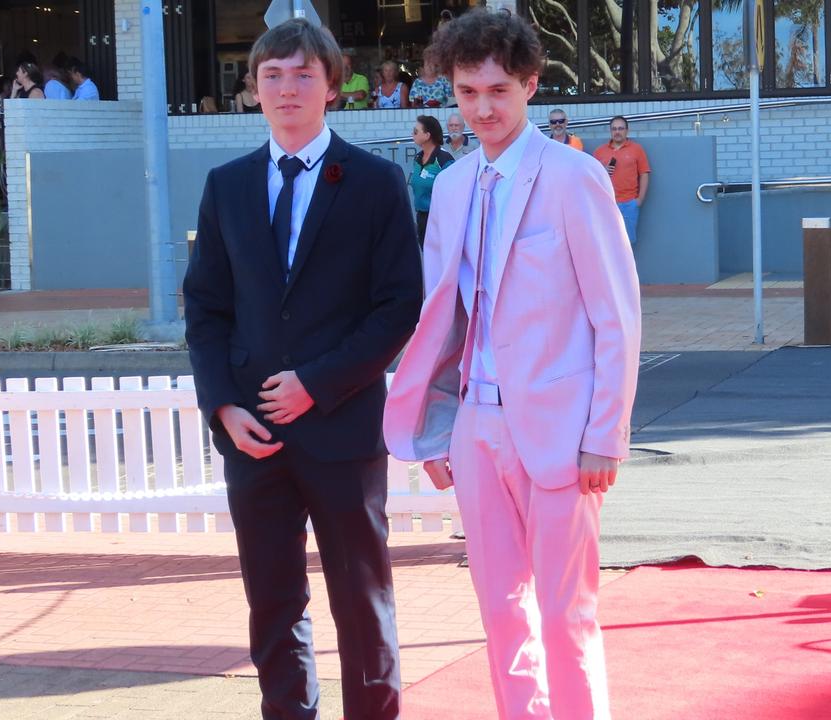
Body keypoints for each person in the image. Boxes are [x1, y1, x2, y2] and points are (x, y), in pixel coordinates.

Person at [383, 9, 640, 719]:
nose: (483, 108)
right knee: (500, 612)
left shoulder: (575, 178)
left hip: (561, 432)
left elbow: (615, 316)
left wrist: (604, 436)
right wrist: (437, 428)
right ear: (452, 93)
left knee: (566, 614)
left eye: (498, 90)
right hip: (475, 425)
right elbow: (442, 321)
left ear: (530, 84)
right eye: (468, 93)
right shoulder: (455, 186)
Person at [182, 18, 422, 720]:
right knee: (274, 603)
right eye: (272, 76)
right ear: (254, 89)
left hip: (342, 429)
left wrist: (315, 383)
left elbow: (397, 307)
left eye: (303, 74)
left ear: (333, 86)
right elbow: (205, 308)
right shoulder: (226, 186)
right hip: (253, 437)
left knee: (362, 602)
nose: (287, 88)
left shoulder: (378, 182)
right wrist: (224, 405)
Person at [592, 115, 650, 246]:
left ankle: (625, 268)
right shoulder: (599, 152)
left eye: (620, 129)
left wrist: (639, 200)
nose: (617, 132)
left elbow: (644, 174)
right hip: (605, 204)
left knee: (627, 244)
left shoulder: (637, 149)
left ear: (627, 131)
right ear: (610, 131)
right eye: (614, 129)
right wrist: (602, 171)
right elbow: (591, 178)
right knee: (606, 243)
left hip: (629, 204)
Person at [407, 114, 455, 246]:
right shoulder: (418, 158)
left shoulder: (444, 159)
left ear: (427, 135)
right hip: (422, 217)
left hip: (440, 220)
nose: (412, 134)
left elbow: (454, 193)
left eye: (416, 132)